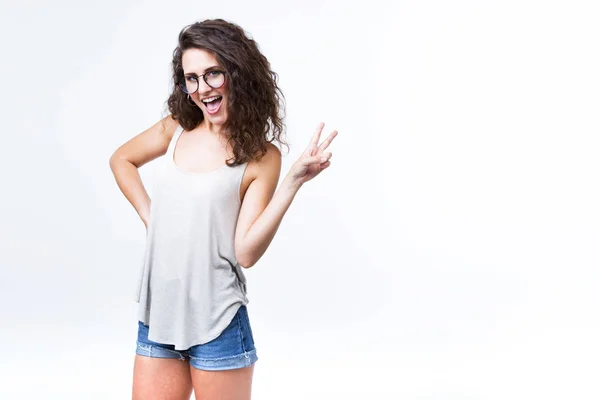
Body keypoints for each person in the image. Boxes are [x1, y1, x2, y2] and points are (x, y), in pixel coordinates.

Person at [109, 19, 337, 400]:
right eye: (191, 78)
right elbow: (121, 160)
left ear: (237, 72)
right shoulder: (176, 129)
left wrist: (293, 181)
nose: (202, 89)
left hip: (218, 323)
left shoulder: (262, 156)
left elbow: (245, 252)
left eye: (213, 74)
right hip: (158, 318)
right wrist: (153, 219)